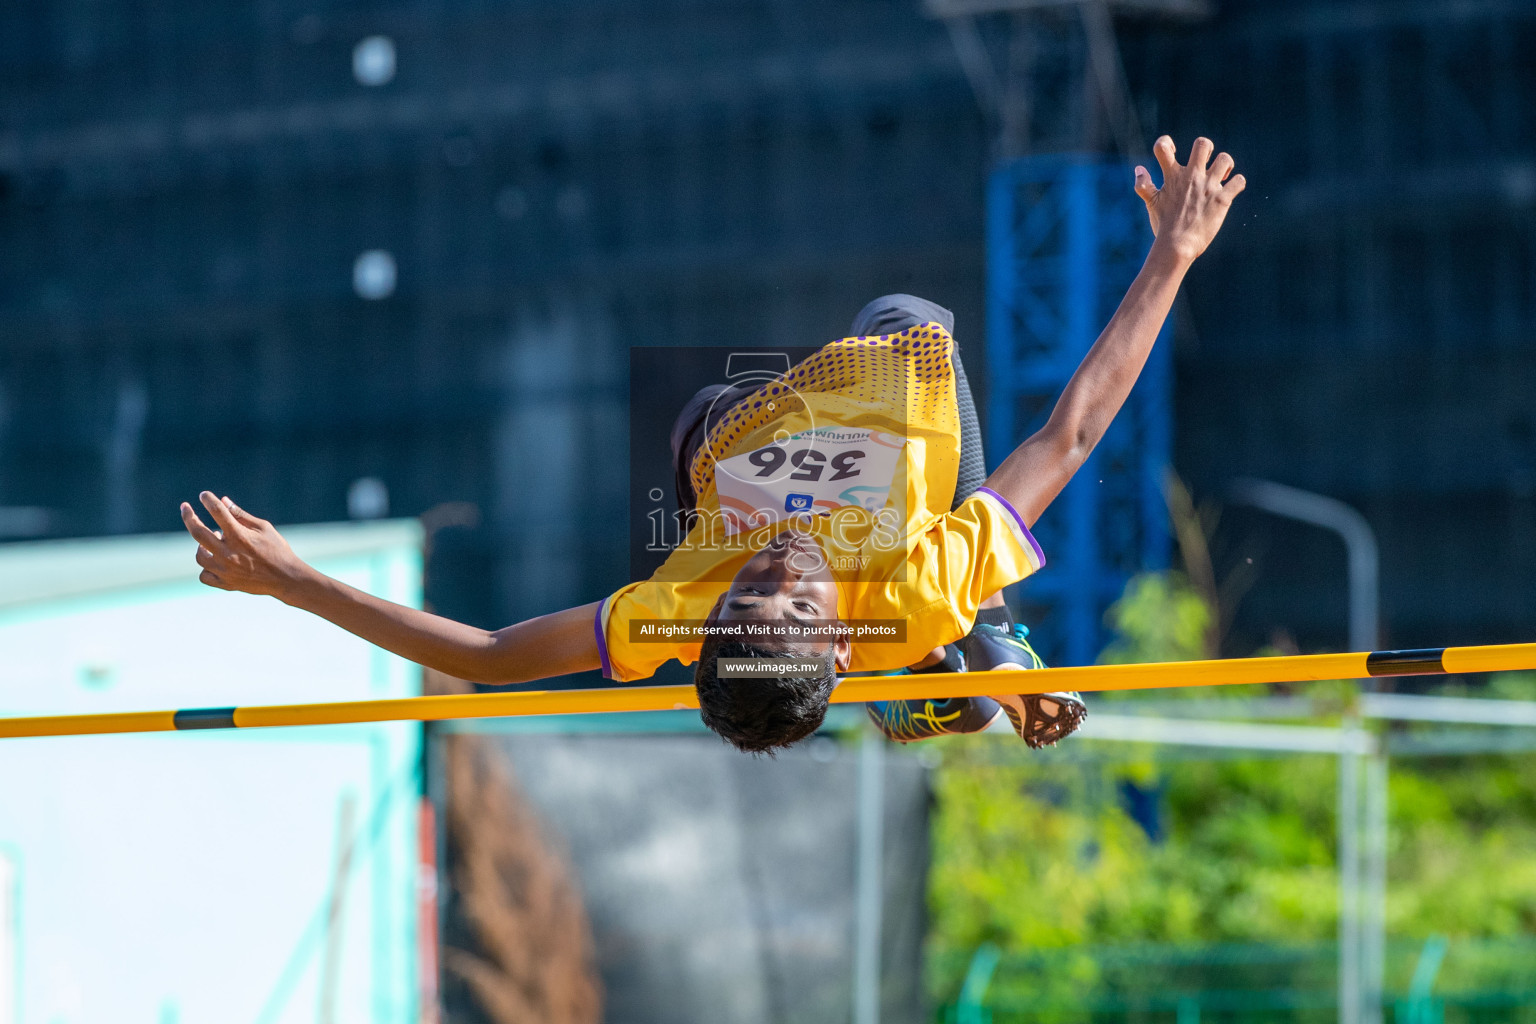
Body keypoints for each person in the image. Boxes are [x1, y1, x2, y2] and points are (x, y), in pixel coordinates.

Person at [181, 136, 1245, 753]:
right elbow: (1072, 432)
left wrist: (294, 581)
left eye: (746, 600)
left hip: (746, 427)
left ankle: (961, 685)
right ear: (835, 642)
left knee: (698, 421)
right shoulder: (905, 592)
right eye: (791, 607)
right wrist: (1172, 255)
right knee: (915, 313)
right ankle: (992, 651)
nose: (774, 578)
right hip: (895, 405)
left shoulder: (677, 612)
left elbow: (492, 659)